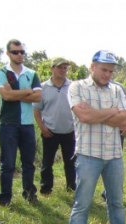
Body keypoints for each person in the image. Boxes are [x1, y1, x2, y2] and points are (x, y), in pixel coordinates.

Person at [65, 50, 126, 224]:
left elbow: (124, 119)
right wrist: (111, 112)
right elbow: (83, 116)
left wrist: (95, 115)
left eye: (111, 71)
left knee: (116, 202)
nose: (107, 74)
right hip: (88, 154)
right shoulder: (77, 87)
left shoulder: (116, 90)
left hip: (114, 155)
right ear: (92, 67)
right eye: (104, 69)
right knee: (82, 204)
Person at [0, 39, 42, 206]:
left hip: (27, 124)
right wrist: (27, 92)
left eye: (22, 52)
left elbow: (37, 96)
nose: (19, 55)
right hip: (8, 124)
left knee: (28, 163)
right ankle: (5, 198)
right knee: (7, 164)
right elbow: (5, 97)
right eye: (15, 52)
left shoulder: (32, 73)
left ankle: (29, 194)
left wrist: (15, 93)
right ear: (8, 53)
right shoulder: (1, 72)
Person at [33, 57, 76, 194]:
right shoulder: (43, 87)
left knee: (71, 162)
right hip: (50, 130)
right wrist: (42, 127)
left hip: (69, 130)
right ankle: (46, 188)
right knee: (47, 162)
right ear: (52, 68)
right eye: (59, 67)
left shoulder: (73, 87)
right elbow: (37, 110)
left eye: (65, 67)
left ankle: (71, 187)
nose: (63, 70)